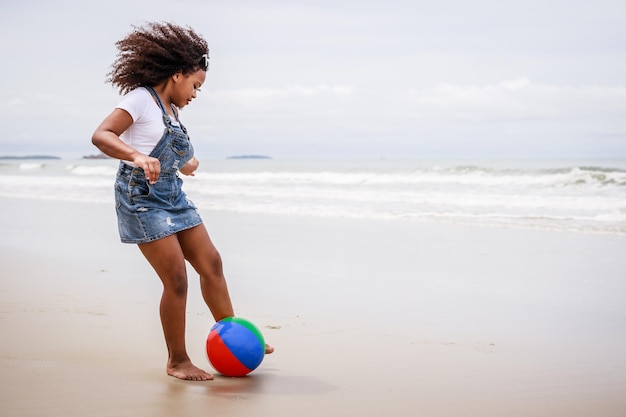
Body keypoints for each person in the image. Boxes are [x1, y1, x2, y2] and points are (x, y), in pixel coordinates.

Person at [91, 22, 273, 381]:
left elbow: (166, 149)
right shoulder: (140, 99)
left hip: (173, 195)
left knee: (212, 263)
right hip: (141, 198)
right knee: (176, 280)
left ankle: (235, 338)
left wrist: (185, 162)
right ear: (176, 75)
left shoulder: (171, 111)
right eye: (195, 85)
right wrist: (138, 157)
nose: (195, 93)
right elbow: (102, 134)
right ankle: (177, 361)